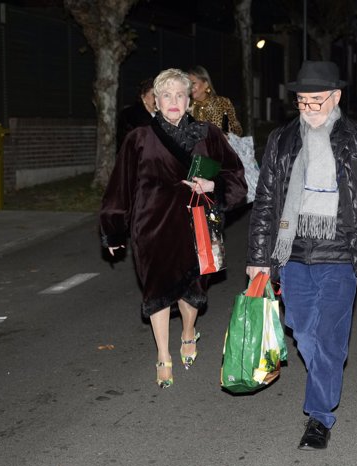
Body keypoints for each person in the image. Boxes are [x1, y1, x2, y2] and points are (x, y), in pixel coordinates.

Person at [246, 61, 357, 450]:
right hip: (292, 252)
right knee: (301, 328)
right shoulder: (282, 140)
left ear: (336, 97)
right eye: (302, 101)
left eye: (316, 100)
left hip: (342, 252)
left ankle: (319, 416)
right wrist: (259, 255)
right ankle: (326, 374)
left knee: (329, 335)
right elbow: (266, 200)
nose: (309, 108)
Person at [100, 68, 247, 389]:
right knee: (157, 291)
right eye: (166, 95)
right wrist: (113, 227)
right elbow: (120, 186)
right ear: (155, 100)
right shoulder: (139, 138)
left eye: (180, 94)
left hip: (198, 225)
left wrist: (213, 185)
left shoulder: (208, 134)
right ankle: (163, 355)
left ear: (189, 99)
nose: (173, 101)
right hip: (152, 226)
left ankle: (188, 332)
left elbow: (237, 177)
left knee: (193, 292)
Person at [188, 65, 243, 136]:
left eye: (193, 83)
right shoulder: (186, 106)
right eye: (188, 84)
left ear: (206, 84)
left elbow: (238, 130)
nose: (190, 87)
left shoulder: (222, 103)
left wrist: (227, 132)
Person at [116, 78, 157, 152]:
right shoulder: (129, 115)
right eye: (154, 95)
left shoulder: (163, 115)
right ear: (143, 97)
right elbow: (126, 142)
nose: (157, 99)